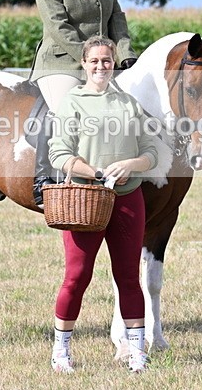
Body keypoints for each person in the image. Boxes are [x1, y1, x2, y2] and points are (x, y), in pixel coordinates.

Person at [46, 37, 157, 374]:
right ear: (84, 63)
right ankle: (61, 350)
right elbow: (58, 153)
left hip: (127, 199)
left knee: (128, 276)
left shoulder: (129, 104)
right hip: (86, 200)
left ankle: (137, 351)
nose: (101, 66)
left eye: (106, 60)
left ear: (113, 63)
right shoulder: (72, 103)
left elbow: (151, 151)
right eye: (94, 61)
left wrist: (130, 166)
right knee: (77, 276)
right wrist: (94, 173)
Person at [32, 0, 138, 206]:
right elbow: (58, 26)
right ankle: (42, 177)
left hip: (103, 60)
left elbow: (116, 15)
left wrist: (125, 53)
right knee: (61, 109)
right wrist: (92, 59)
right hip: (61, 61)